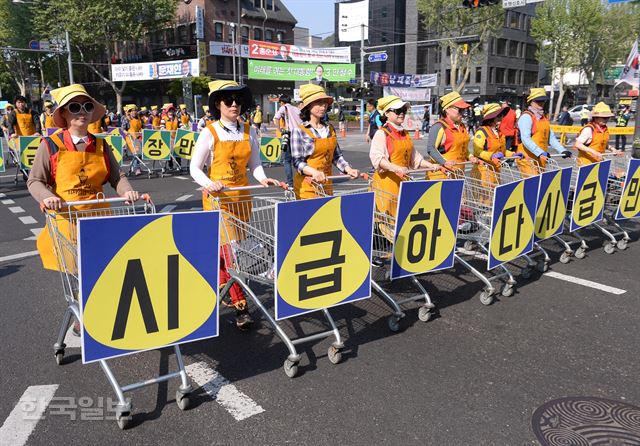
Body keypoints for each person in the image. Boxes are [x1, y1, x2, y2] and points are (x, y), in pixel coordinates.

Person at [28, 84, 141, 333]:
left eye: (87, 106)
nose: (82, 112)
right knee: (82, 269)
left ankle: (97, 311)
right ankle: (88, 313)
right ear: (65, 113)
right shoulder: (50, 144)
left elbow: (116, 177)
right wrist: (47, 197)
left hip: (98, 216)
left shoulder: (101, 145)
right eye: (75, 107)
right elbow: (35, 181)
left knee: (102, 265)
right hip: (67, 217)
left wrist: (127, 191)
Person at [190, 80, 280, 330]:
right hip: (218, 200)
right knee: (231, 252)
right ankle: (241, 308)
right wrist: (209, 184)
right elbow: (194, 168)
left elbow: (255, 164)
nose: (234, 105)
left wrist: (263, 178)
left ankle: (219, 282)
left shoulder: (250, 130)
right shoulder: (209, 131)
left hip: (242, 199)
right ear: (217, 105)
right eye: (228, 100)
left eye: (237, 100)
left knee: (229, 249)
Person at [370, 95, 443, 216]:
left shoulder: (405, 133)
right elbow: (378, 159)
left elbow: (414, 157)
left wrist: (430, 165)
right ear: (387, 113)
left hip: (404, 183)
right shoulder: (381, 133)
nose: (401, 114)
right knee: (389, 223)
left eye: (403, 111)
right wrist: (396, 168)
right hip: (388, 186)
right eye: (398, 111)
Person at [290, 84, 359, 199]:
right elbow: (297, 162)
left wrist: (348, 169)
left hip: (326, 185)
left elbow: (336, 157)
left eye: (324, 103)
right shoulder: (299, 130)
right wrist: (313, 172)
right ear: (308, 106)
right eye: (318, 103)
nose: (323, 107)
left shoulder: (330, 128)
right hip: (307, 187)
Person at [516, 87, 572, 176]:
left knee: (539, 187)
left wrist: (562, 150)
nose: (541, 104)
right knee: (533, 186)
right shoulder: (526, 117)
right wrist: (540, 152)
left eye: (543, 101)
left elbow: (551, 138)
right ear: (530, 102)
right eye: (538, 101)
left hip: (541, 159)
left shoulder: (544, 118)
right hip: (527, 160)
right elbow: (525, 139)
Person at [473, 103, 524, 197]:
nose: (501, 118)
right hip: (483, 172)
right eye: (498, 116)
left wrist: (513, 155)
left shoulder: (500, 133)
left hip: (496, 171)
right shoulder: (482, 132)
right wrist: (491, 155)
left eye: (501, 116)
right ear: (491, 118)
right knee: (485, 204)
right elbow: (477, 151)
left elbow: (503, 151)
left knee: (494, 202)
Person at [425, 91, 475, 180]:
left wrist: (470, 157)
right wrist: (444, 162)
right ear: (447, 109)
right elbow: (431, 149)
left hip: (458, 174)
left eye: (464, 110)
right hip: (441, 175)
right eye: (459, 109)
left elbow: (463, 148)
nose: (462, 113)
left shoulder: (462, 126)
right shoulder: (439, 126)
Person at [273, 94, 302, 188]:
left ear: (282, 102)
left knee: (287, 160)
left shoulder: (283, 108)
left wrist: (279, 129)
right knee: (299, 159)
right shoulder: (297, 109)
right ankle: (301, 180)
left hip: (289, 135)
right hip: (300, 135)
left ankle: (290, 183)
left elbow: (276, 118)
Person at [121, 104, 143, 175]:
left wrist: (142, 131)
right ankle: (137, 169)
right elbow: (123, 129)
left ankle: (133, 167)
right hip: (130, 138)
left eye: (135, 110)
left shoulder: (139, 118)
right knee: (136, 152)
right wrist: (126, 133)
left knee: (139, 153)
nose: (134, 112)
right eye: (132, 111)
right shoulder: (126, 119)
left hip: (138, 137)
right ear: (130, 112)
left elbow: (143, 127)